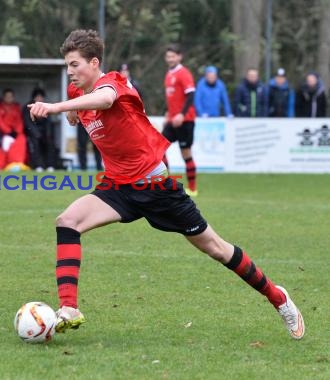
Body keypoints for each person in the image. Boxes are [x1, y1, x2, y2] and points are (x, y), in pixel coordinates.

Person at [27, 29, 304, 340]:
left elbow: (105, 100)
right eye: (67, 65)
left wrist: (55, 107)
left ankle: (278, 298)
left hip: (157, 187)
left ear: (94, 62)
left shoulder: (113, 83)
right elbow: (86, 106)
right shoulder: (78, 93)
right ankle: (69, 307)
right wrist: (74, 112)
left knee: (216, 248)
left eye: (74, 64)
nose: (70, 71)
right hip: (118, 187)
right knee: (68, 221)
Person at [162, 44, 198, 196]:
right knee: (158, 148)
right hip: (172, 120)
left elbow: (190, 95)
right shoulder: (168, 74)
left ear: (179, 56)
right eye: (168, 56)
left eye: (173, 56)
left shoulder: (184, 73)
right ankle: (167, 185)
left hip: (185, 120)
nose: (170, 59)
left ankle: (193, 188)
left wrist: (182, 114)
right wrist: (168, 113)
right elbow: (172, 99)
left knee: (186, 153)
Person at [22, 88, 56, 171]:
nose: (40, 99)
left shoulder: (45, 106)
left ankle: (50, 165)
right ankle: (38, 166)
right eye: (38, 97)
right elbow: (28, 123)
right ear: (34, 98)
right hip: (32, 132)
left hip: (44, 132)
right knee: (35, 143)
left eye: (41, 97)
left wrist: (48, 134)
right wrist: (36, 134)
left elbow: (48, 122)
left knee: (50, 142)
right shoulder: (28, 107)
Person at [0, 88, 28, 169]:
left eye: (10, 96)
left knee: (22, 139)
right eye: (7, 96)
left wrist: (16, 132)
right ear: (3, 97)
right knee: (5, 142)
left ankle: (18, 163)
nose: (9, 98)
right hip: (3, 133)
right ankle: (7, 165)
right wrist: (8, 132)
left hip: (16, 133)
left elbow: (20, 121)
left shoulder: (16, 107)